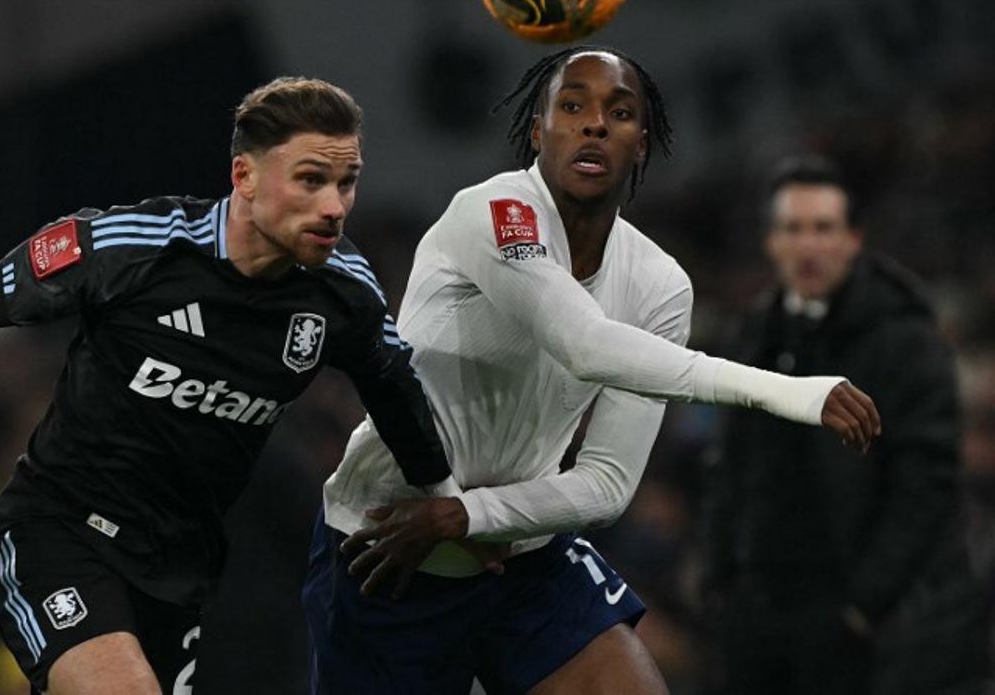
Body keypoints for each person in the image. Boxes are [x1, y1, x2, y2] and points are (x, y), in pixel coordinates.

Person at [0, 77, 462, 695]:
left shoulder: (344, 291)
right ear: (244, 177)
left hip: (181, 571)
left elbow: (395, 391)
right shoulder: (136, 247)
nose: (335, 206)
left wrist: (448, 503)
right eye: (310, 180)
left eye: (346, 182)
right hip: (59, 537)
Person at [302, 46, 880, 695]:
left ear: (643, 143)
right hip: (387, 550)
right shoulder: (494, 213)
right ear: (536, 130)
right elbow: (584, 343)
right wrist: (789, 392)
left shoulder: (659, 286)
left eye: (621, 112)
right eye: (571, 105)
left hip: (519, 552)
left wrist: (473, 516)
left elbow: (605, 484)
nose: (595, 123)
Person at [701, 156, 990, 695]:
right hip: (763, 613)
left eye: (823, 228)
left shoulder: (906, 341)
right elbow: (730, 465)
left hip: (860, 624)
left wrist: (863, 605)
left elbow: (925, 486)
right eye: (793, 229)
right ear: (771, 242)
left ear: (853, 239)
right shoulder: (753, 336)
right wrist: (718, 580)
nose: (808, 245)